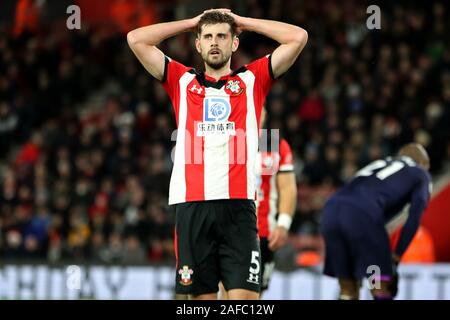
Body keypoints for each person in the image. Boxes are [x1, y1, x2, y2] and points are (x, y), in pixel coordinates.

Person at [127, 9, 308, 300]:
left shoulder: (253, 79)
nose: (215, 42)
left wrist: (243, 22)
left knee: (246, 301)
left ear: (234, 43)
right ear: (197, 44)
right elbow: (136, 39)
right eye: (208, 37)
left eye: (222, 36)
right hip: (192, 207)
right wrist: (190, 23)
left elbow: (298, 37)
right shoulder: (181, 81)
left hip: (239, 209)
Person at [320, 143, 432, 300]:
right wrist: (397, 255)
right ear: (423, 164)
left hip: (330, 212)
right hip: (362, 217)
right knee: (380, 285)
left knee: (347, 287)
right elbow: (414, 218)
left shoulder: (380, 163)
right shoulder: (420, 173)